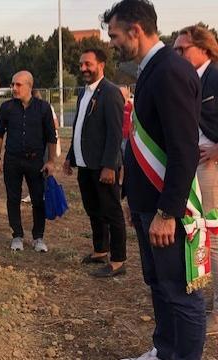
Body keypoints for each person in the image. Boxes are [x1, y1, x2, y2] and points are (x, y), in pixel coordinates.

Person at [103, 1, 205, 359]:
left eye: (115, 35)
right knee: (160, 287)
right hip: (148, 205)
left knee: (181, 292)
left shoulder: (169, 71)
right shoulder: (151, 70)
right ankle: (165, 351)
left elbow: (184, 150)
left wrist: (167, 212)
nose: (112, 43)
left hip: (166, 210)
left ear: (135, 30)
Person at [63, 48, 127, 278]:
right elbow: (79, 127)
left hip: (103, 166)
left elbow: (115, 133)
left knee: (111, 212)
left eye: (88, 64)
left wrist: (110, 165)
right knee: (94, 210)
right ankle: (100, 250)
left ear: (101, 64)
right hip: (85, 164)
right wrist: (71, 156)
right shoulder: (83, 93)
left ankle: (118, 260)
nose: (83, 69)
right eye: (81, 64)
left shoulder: (110, 93)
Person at [174, 24, 218, 336]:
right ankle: (196, 296)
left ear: (203, 48)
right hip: (187, 167)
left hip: (210, 169)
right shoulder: (184, 79)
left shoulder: (215, 75)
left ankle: (214, 309)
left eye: (182, 49)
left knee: (213, 236)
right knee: (193, 232)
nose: (176, 55)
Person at [0, 71, 57, 252]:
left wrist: (51, 161)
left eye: (18, 85)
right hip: (12, 160)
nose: (14, 88)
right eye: (13, 84)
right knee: (13, 199)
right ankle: (17, 236)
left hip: (36, 161)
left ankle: (38, 237)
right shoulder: (6, 108)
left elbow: (52, 137)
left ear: (29, 85)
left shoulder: (43, 108)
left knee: (38, 199)